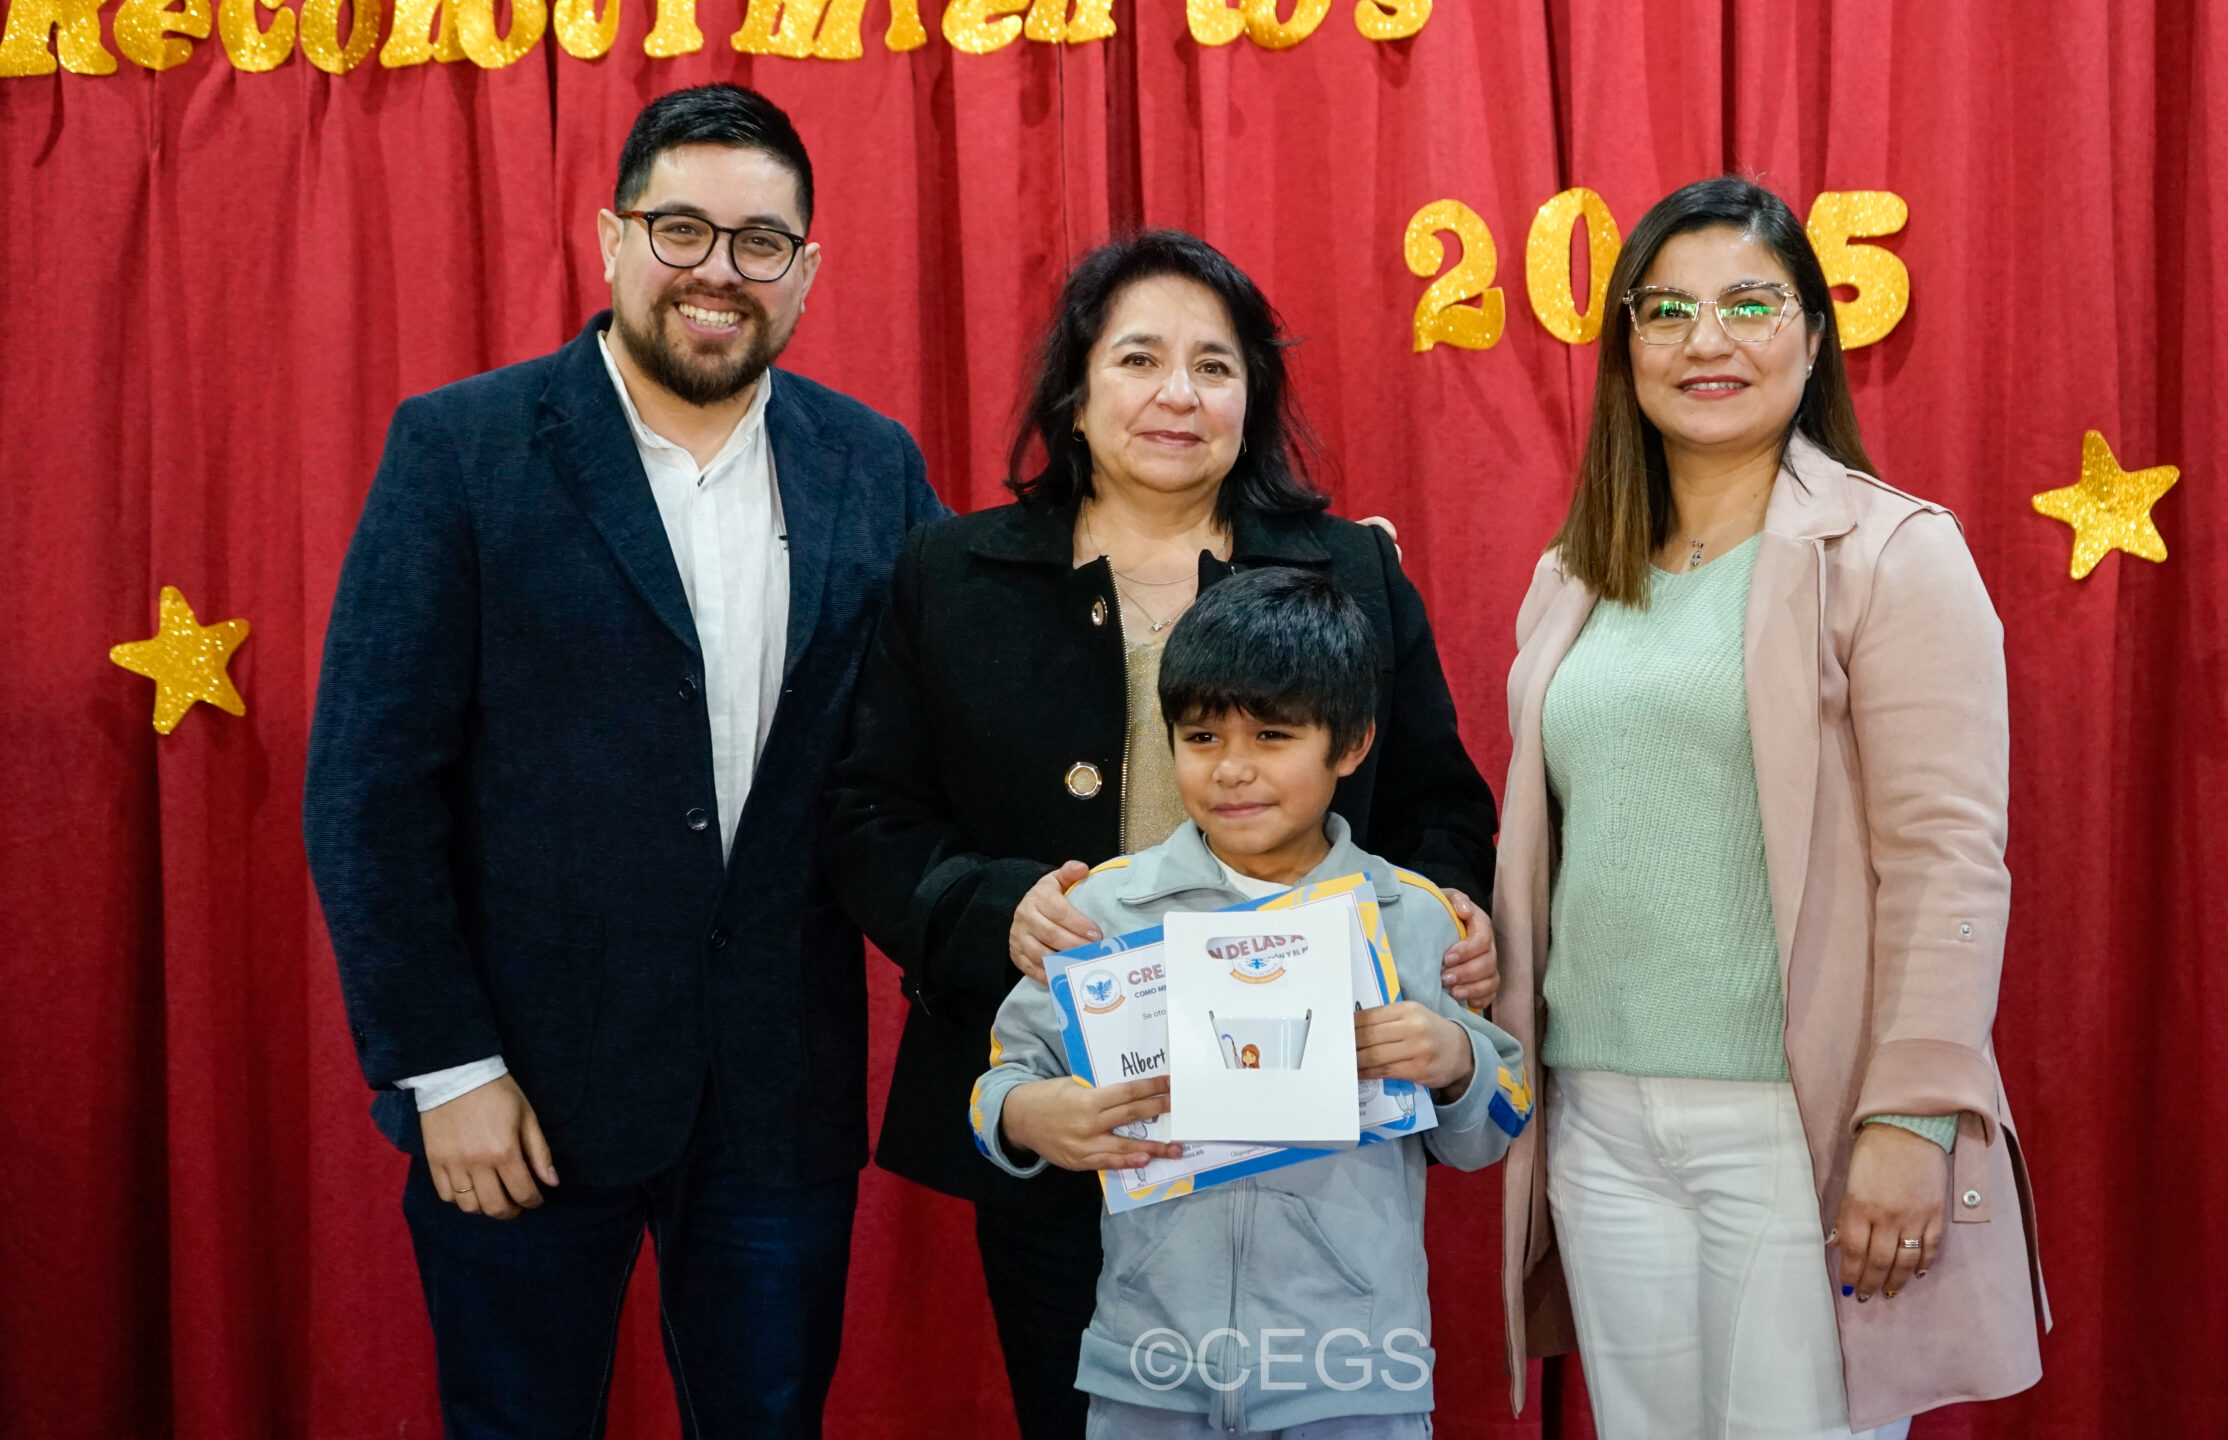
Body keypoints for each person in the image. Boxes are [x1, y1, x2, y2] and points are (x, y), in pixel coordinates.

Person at [304, 85, 944, 1438]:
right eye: (681, 229)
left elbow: (954, 716)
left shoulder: (871, 464)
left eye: (760, 242)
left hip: (778, 1101)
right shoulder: (462, 449)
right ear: (611, 239)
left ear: (806, 269)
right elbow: (368, 791)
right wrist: (445, 1069)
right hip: (519, 1099)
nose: (719, 270)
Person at [825, 229, 1501, 1440]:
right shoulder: (952, 573)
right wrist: (997, 910)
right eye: (1138, 359)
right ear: (1076, 394)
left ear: (1254, 398)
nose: (1177, 394)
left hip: (1306, 1132)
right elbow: (869, 818)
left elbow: (1436, 804)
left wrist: (1445, 920)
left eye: (1215, 366)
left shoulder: (1346, 569)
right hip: (1073, 1109)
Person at [1486, 177, 2049, 1439]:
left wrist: (1913, 1115)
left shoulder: (1892, 553)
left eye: (1749, 303)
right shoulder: (1572, 574)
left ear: (1812, 335)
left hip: (1794, 1123)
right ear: (1625, 345)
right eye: (1667, 309)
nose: (1708, 339)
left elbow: (1949, 862)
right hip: (1596, 1115)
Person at [971, 565, 1531, 1439]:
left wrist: (1456, 1063)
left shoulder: (1413, 915)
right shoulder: (1104, 909)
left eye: (1273, 735)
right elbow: (997, 1086)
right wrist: (1031, 1119)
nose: (1233, 770)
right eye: (1201, 737)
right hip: (1150, 1367)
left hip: (1354, 1374)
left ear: (1351, 745)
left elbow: (1494, 1128)